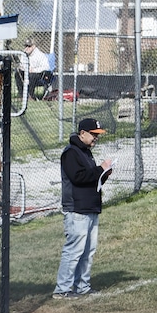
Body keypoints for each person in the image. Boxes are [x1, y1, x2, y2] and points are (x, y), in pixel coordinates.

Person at [54, 117, 113, 300]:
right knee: (74, 250)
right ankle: (62, 289)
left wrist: (104, 174)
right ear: (82, 134)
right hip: (77, 209)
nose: (96, 138)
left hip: (90, 207)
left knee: (88, 250)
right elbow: (78, 177)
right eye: (94, 135)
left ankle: (82, 286)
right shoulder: (71, 152)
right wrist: (99, 169)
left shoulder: (85, 152)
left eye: (98, 135)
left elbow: (91, 179)